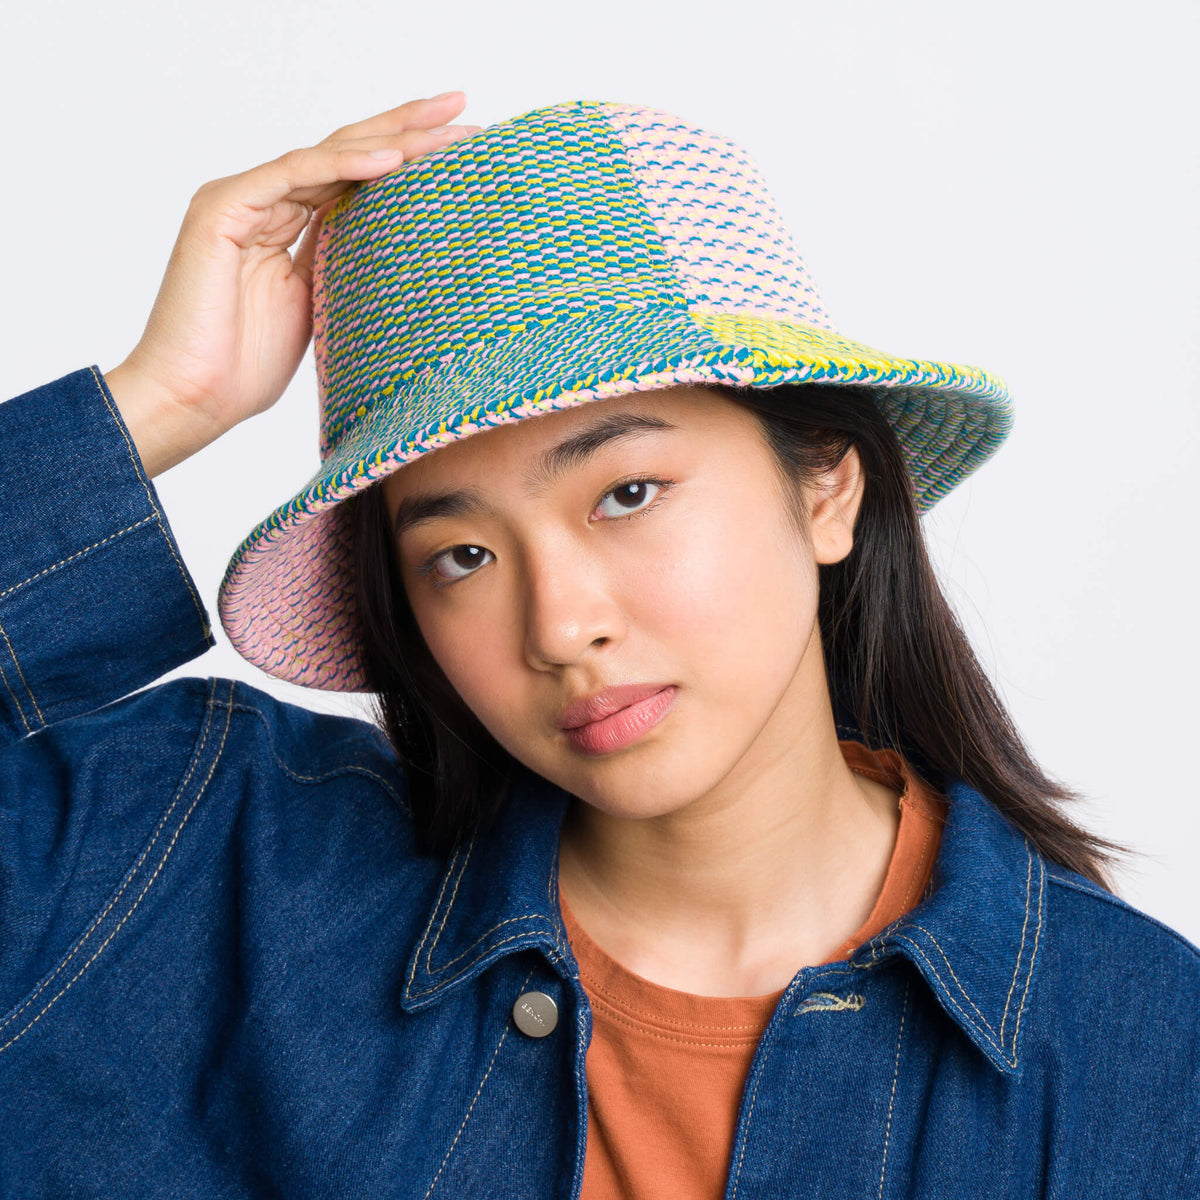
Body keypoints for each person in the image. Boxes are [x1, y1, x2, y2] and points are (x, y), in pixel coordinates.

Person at [1, 90, 1196, 1200]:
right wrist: (163, 402)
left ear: (829, 492)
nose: (563, 627)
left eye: (626, 492)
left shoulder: (1135, 1054)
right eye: (459, 556)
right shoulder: (195, 867)